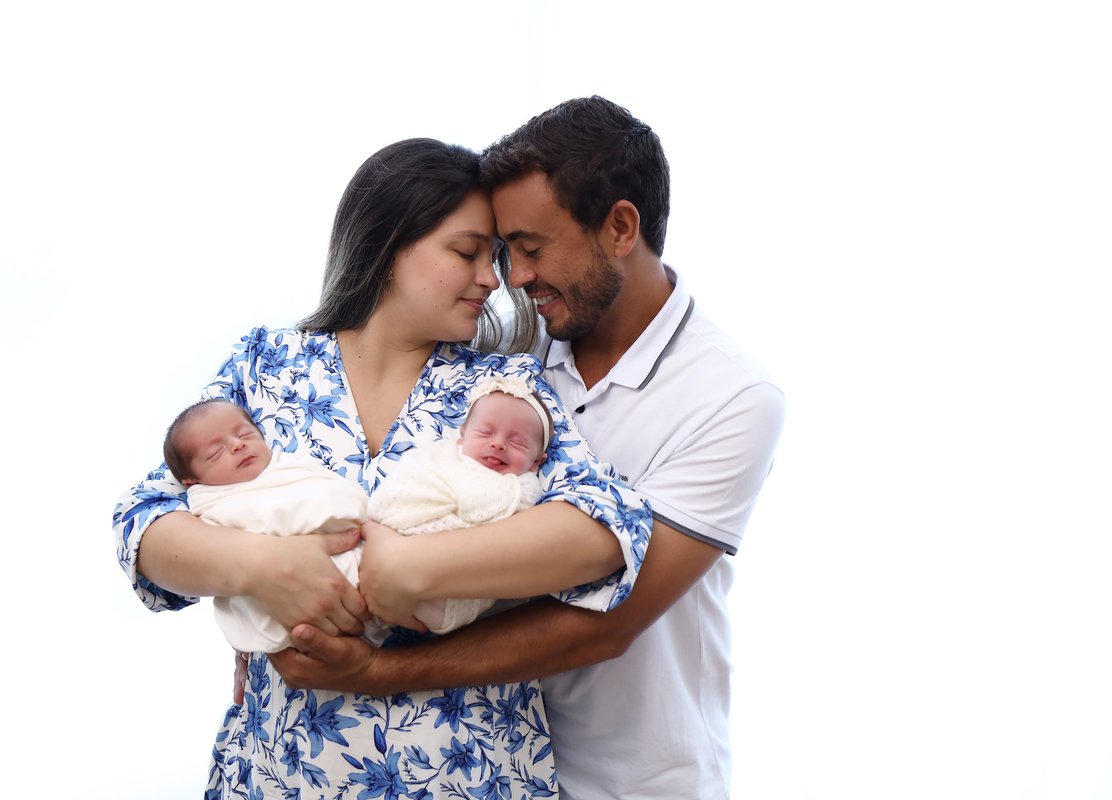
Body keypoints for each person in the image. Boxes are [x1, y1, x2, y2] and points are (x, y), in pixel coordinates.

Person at [269, 98, 786, 800]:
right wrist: (278, 616)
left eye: (531, 248)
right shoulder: (509, 354)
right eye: (501, 253)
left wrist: (376, 672)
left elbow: (607, 624)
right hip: (492, 759)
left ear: (621, 227)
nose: (512, 278)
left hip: (632, 778)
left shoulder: (732, 397)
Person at [111, 137, 653, 799]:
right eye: (467, 253)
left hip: (471, 777)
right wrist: (265, 568)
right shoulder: (267, 366)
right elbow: (144, 523)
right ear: (389, 241)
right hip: (277, 776)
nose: (494, 279)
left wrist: (413, 569)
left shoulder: (502, 389)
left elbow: (610, 527)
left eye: (495, 258)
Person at [163, 397, 369, 652]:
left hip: (367, 559)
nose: (238, 444)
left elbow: (332, 493)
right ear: (193, 481)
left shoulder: (290, 468)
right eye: (216, 452)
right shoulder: (212, 509)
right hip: (293, 620)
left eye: (245, 434)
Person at [368, 375, 553, 634]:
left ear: (536, 461)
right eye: (485, 432)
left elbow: (507, 541)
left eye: (517, 442)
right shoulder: (440, 457)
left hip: (445, 589)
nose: (498, 444)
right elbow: (406, 483)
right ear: (462, 436)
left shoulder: (521, 489)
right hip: (381, 542)